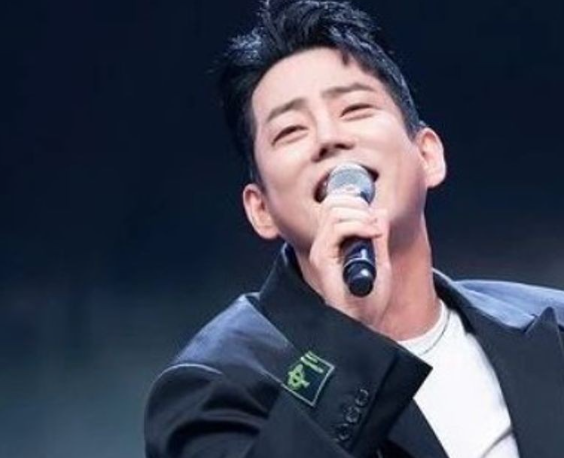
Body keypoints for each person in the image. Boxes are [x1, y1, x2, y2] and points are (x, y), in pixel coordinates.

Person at [144, 1, 564, 457]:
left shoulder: (554, 328)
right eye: (291, 131)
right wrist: (346, 336)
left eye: (356, 108)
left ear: (428, 156)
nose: (329, 138)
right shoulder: (213, 390)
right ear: (260, 209)